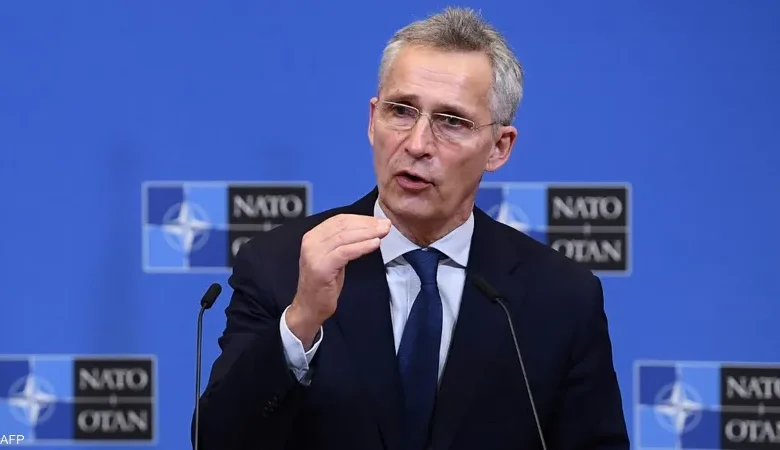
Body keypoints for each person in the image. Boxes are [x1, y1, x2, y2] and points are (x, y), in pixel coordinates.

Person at [192, 7, 629, 450]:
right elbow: (214, 441)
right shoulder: (280, 264)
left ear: (499, 147)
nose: (417, 144)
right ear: (372, 120)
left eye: (451, 121)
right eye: (401, 111)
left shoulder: (561, 296)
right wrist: (302, 320)